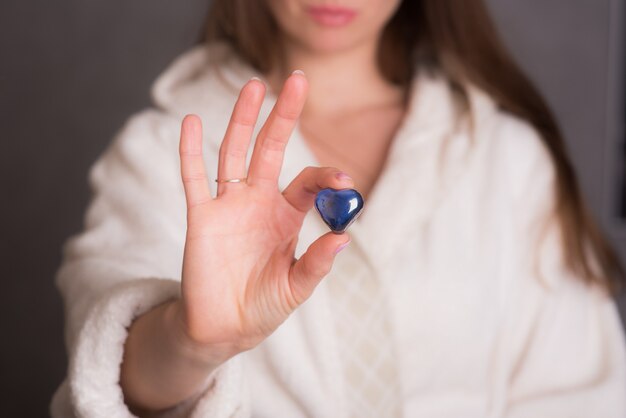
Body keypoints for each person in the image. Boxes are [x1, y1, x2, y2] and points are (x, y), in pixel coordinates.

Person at [51, 0, 626, 417]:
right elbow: (104, 375)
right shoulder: (162, 152)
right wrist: (190, 342)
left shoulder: (508, 159)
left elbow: (583, 395)